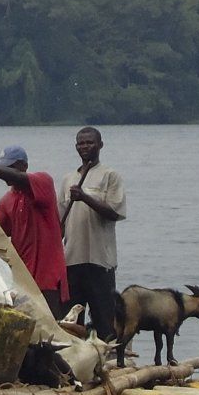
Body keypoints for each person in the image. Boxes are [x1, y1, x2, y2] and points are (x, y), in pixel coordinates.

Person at [0, 145, 68, 317]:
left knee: (53, 330)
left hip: (48, 277)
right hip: (22, 279)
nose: (3, 173)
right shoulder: (6, 201)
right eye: (2, 167)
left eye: (8, 168)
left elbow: (19, 179)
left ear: (23, 166)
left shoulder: (43, 182)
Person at [57, 126, 127, 340]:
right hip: (72, 260)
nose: (84, 146)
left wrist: (85, 197)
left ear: (100, 145)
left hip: (100, 261)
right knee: (70, 321)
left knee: (104, 320)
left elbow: (114, 212)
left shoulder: (110, 176)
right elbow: (59, 222)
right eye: (80, 143)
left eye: (89, 142)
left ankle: (107, 363)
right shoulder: (68, 179)